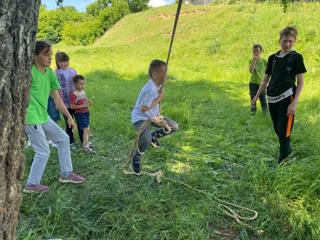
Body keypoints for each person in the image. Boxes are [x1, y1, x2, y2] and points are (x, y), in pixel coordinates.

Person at [24, 40, 85, 193]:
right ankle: (31, 184)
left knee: (63, 138)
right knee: (43, 151)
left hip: (43, 115)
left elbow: (57, 99)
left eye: (50, 54)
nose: (50, 58)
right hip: (30, 117)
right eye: (45, 54)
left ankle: (66, 174)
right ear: (34, 55)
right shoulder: (28, 72)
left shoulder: (50, 74)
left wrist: (69, 116)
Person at [251, 27, 306, 163]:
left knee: (284, 131)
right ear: (279, 40)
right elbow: (265, 80)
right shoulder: (272, 58)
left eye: (290, 41)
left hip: (287, 98)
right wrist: (256, 96)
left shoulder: (296, 58)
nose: (287, 44)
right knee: (278, 129)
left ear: (294, 41)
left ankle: (282, 162)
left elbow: (300, 82)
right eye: (285, 41)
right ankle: (289, 152)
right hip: (272, 99)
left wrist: (294, 103)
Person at [130, 59, 179, 174]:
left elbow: (154, 103)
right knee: (145, 139)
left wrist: (160, 97)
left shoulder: (158, 85)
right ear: (155, 74)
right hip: (141, 117)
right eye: (164, 72)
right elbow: (143, 109)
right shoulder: (150, 89)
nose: (167, 75)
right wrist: (159, 100)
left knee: (174, 126)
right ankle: (136, 158)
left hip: (153, 115)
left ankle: (154, 136)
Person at [55, 51, 83, 150]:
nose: (64, 63)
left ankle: (83, 140)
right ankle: (71, 141)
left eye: (66, 61)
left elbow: (79, 83)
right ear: (57, 62)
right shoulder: (56, 73)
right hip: (65, 103)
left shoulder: (72, 71)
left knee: (80, 121)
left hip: (75, 102)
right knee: (69, 122)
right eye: (62, 62)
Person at [70, 75, 95, 154]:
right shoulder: (74, 94)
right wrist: (83, 106)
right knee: (85, 129)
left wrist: (88, 101)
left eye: (84, 84)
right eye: (81, 84)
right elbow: (72, 106)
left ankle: (86, 142)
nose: (83, 85)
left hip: (86, 112)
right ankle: (85, 146)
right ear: (75, 84)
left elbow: (85, 98)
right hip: (80, 114)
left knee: (87, 128)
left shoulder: (83, 92)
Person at [249, 44, 268, 115]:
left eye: (257, 51)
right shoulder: (251, 61)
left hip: (261, 84)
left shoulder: (264, 61)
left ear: (261, 51)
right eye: (254, 51)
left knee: (263, 99)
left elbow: (268, 73)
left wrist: (266, 83)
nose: (256, 53)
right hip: (253, 83)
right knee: (253, 98)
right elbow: (251, 71)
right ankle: (253, 114)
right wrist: (254, 61)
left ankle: (265, 114)